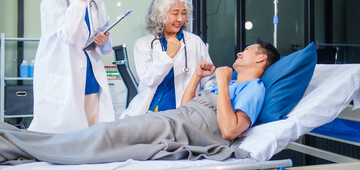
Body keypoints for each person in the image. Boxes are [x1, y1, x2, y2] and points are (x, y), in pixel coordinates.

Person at [0, 40, 280, 164]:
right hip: (176, 119)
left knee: (104, 134)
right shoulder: (231, 83)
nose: (240, 52)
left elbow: (230, 131)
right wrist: (196, 76)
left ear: (261, 59)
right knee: (104, 133)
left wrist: (220, 81)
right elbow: (186, 106)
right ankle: (17, 141)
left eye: (248, 50)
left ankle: (14, 143)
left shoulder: (252, 88)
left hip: (179, 130)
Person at [28, 0, 115, 134]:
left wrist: (103, 41)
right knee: (62, 144)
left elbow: (107, 48)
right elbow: (69, 37)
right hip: (64, 80)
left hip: (91, 81)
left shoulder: (96, 2)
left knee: (91, 141)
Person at [121, 0, 216, 117]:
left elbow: (209, 82)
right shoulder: (143, 44)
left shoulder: (195, 42)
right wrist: (168, 56)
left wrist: (203, 106)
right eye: (175, 13)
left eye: (183, 13)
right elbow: (148, 80)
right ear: (160, 14)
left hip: (187, 111)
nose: (180, 19)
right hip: (152, 110)